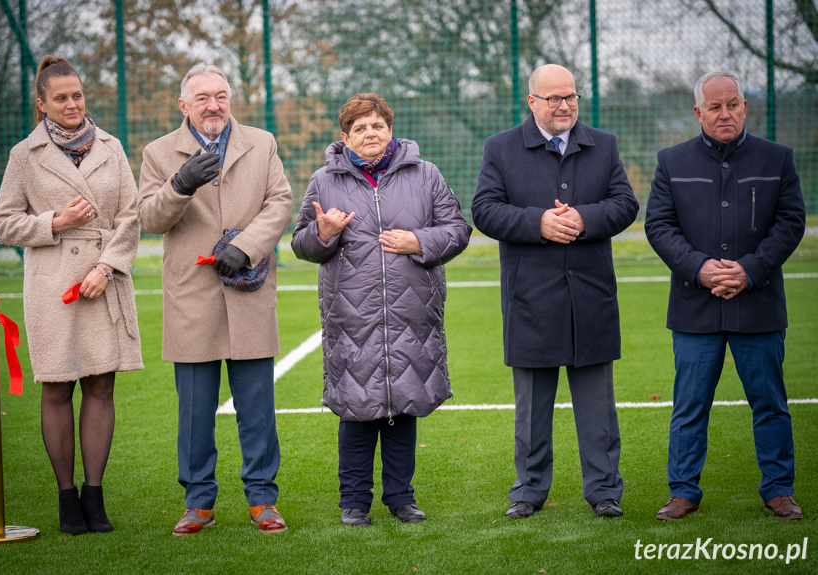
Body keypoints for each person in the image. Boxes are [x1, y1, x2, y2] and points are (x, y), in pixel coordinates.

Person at [292, 93, 471, 526]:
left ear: (390, 129)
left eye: (377, 126)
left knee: (402, 407)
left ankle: (401, 499)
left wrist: (420, 242)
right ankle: (353, 502)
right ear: (345, 137)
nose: (370, 134)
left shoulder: (425, 174)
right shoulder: (324, 181)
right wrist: (324, 232)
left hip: (413, 312)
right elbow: (301, 244)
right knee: (357, 410)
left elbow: (458, 229)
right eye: (360, 128)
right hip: (352, 316)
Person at [472, 64, 638, 519]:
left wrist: (584, 218)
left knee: (598, 408)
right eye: (553, 99)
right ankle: (528, 491)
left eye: (570, 97)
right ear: (532, 102)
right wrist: (538, 222)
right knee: (531, 412)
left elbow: (626, 204)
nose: (564, 105)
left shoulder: (603, 145)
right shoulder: (501, 148)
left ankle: (604, 491)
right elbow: (484, 210)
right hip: (530, 300)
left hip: (591, 298)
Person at [138, 63, 293, 535]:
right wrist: (180, 184)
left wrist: (244, 247)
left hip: (247, 289)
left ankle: (263, 499)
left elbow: (280, 201)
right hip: (192, 297)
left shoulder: (261, 142)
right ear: (184, 106)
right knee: (195, 411)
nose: (214, 105)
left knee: (257, 408)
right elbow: (149, 217)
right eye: (202, 97)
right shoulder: (158, 153)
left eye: (221, 95)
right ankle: (198, 502)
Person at [645, 71, 806, 521]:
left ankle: (778, 489)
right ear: (698, 113)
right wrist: (699, 268)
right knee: (690, 405)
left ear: (745, 107)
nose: (725, 114)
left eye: (732, 104)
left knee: (770, 403)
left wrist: (750, 271)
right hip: (695, 308)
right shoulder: (671, 161)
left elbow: (791, 222)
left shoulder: (777, 159)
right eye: (714, 107)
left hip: (759, 304)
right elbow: (658, 225)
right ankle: (683, 491)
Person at [0, 56, 143, 535]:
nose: (72, 104)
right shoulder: (24, 155)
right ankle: (65, 497)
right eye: (61, 98)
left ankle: (94, 497)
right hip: (53, 285)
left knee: (101, 384)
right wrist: (54, 223)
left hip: (105, 281)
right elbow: (4, 223)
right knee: (57, 386)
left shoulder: (112, 147)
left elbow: (131, 216)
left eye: (77, 95)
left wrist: (107, 266)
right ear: (42, 105)